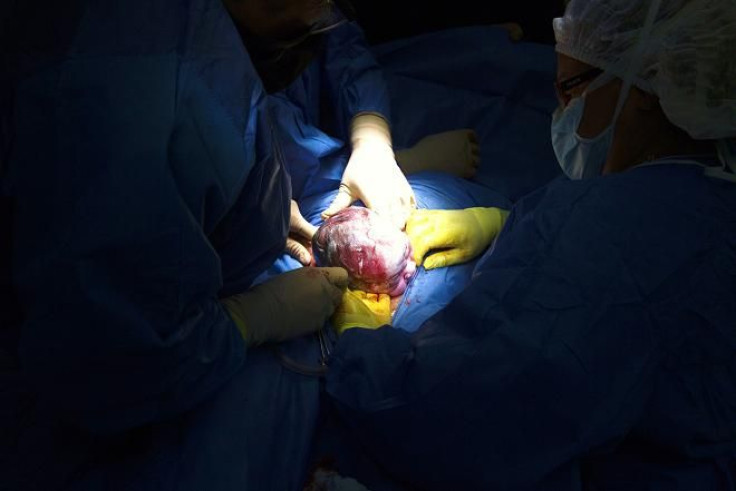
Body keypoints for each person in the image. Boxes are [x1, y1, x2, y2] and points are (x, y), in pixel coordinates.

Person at [323, 0, 736, 489]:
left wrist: (359, 347)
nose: (561, 111)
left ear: (650, 86)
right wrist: (503, 224)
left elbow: (448, 418)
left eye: (570, 89)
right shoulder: (710, 190)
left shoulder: (602, 236)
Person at [0, 0, 366, 489]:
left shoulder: (202, 40)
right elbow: (107, 357)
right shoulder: (129, 104)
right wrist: (249, 319)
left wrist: (259, 207)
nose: (317, 19)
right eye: (310, 11)